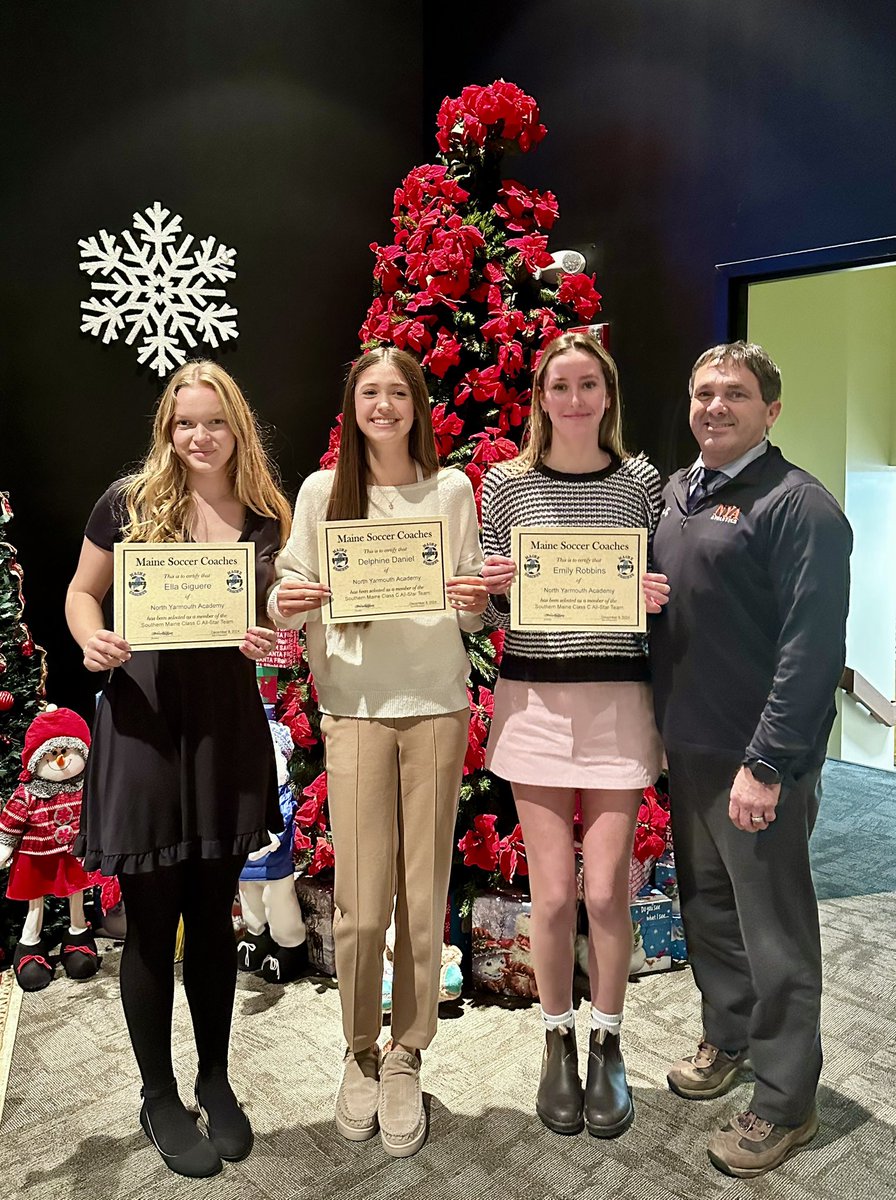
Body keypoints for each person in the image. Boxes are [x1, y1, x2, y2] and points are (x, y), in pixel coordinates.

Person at [66, 360, 292, 1179]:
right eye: (186, 422)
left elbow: (280, 617)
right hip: (144, 726)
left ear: (238, 427)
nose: (201, 436)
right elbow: (81, 593)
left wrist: (271, 636)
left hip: (224, 732)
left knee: (213, 915)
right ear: (169, 428)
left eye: (215, 421)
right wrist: (90, 637)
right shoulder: (127, 503)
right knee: (153, 921)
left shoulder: (267, 515)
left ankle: (214, 1080)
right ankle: (159, 1093)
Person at [268, 346, 486, 1158]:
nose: (384, 405)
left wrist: (473, 600)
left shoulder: (451, 490)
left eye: (399, 392)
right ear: (352, 405)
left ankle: (407, 1052)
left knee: (422, 896)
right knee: (361, 906)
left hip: (435, 706)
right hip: (354, 708)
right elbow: (286, 596)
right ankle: (360, 1049)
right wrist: (286, 598)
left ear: (417, 405)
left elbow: (472, 610)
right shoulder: (322, 493)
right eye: (370, 392)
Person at [650, 341, 852, 1178]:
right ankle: (728, 1038)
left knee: (775, 934)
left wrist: (767, 763)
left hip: (756, 762)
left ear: (771, 409)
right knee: (709, 911)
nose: (715, 406)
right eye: (704, 392)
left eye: (735, 393)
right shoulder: (676, 493)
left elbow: (812, 649)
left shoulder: (800, 506)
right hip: (689, 749)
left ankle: (785, 1103)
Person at [480, 330, 670, 1139]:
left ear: (608, 394)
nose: (575, 399)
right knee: (554, 896)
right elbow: (486, 612)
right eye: (560, 385)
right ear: (540, 398)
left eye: (589, 384)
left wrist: (656, 593)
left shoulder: (641, 482)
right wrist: (491, 592)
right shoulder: (506, 485)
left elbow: (664, 583)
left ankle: (609, 1042)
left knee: (605, 894)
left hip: (619, 706)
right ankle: (556, 1037)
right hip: (535, 704)